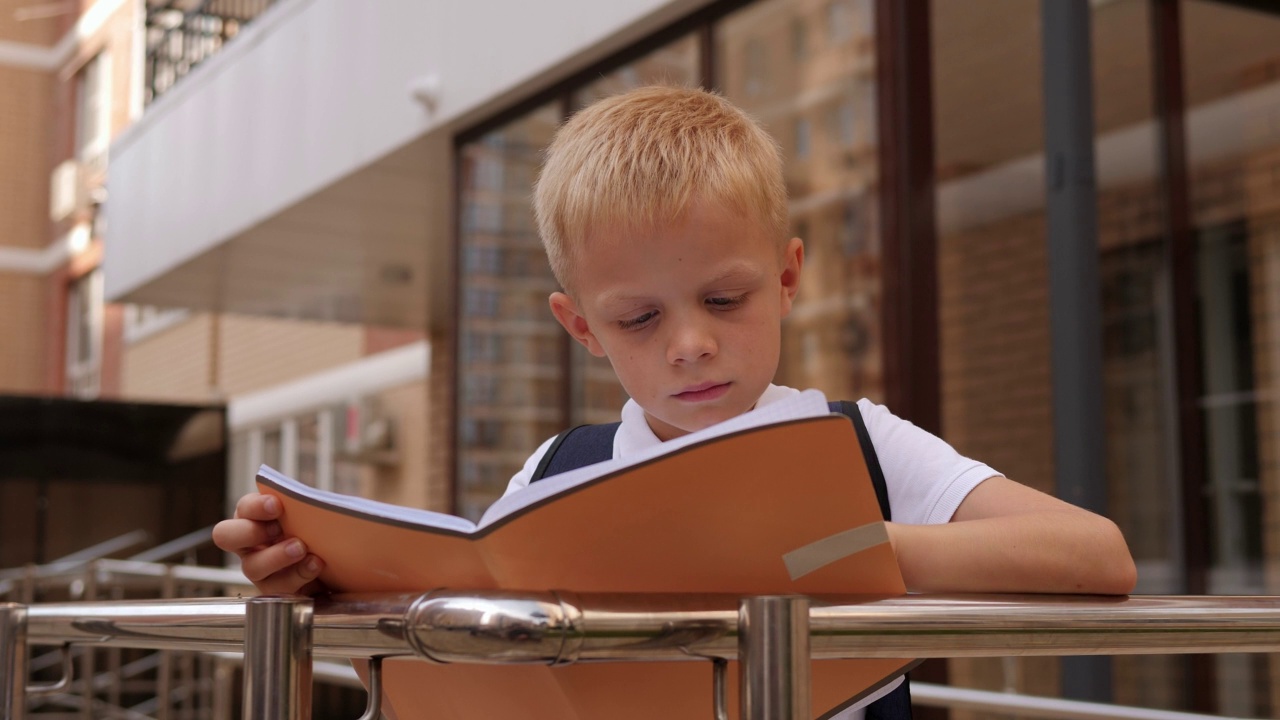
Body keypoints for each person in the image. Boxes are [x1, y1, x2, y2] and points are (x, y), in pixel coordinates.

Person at [213, 85, 1136, 715]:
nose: (690, 342)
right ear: (583, 329)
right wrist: (312, 583)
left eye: (724, 300)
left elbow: (1097, 556)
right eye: (640, 318)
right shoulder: (558, 472)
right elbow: (466, 650)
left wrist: (838, 551)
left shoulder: (858, 444)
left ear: (786, 278)